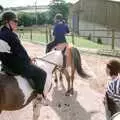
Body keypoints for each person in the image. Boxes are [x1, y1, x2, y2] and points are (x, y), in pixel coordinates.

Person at [0, 11, 46, 95]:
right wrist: (29, 60)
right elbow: (21, 53)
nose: (16, 23)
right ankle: (40, 96)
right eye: (15, 21)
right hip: (17, 67)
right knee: (42, 74)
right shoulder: (12, 35)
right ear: (7, 22)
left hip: (5, 66)